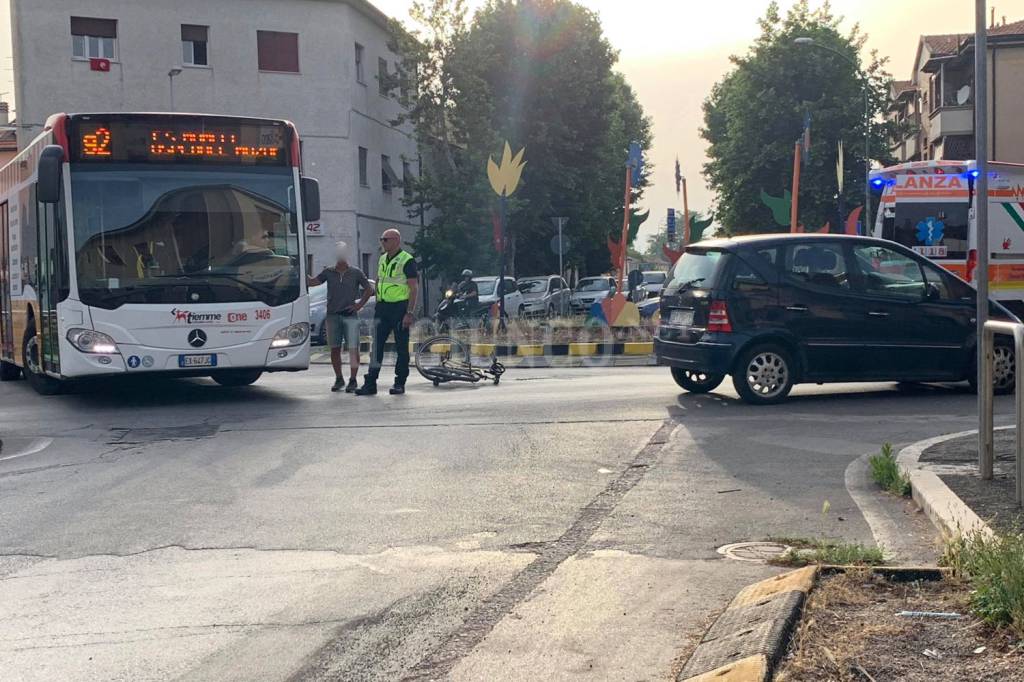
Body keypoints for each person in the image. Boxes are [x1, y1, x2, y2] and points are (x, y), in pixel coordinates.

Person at [356, 228, 418, 396]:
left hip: (399, 308)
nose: (382, 243)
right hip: (382, 308)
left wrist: (409, 313)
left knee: (401, 348)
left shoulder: (407, 260)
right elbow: (379, 280)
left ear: (396, 240)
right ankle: (370, 383)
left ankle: (399, 383)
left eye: (385, 239)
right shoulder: (383, 258)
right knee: (376, 347)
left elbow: (413, 288)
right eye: (381, 239)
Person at [308, 241, 373, 393]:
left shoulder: (356, 272)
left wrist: (358, 305)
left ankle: (353, 379)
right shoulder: (328, 272)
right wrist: (300, 269)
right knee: (335, 349)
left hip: (350, 315)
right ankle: (339, 378)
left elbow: (369, 289)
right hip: (332, 316)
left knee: (353, 348)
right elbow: (313, 282)